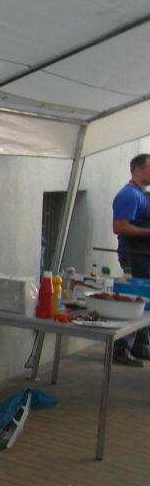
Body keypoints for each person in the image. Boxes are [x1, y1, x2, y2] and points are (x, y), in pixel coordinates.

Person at [111, 153, 150, 365]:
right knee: (134, 300)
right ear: (137, 170)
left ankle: (140, 347)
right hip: (133, 257)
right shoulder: (128, 195)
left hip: (145, 256)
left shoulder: (142, 194)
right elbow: (119, 227)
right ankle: (121, 348)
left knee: (146, 303)